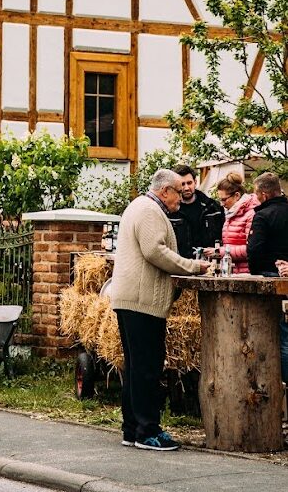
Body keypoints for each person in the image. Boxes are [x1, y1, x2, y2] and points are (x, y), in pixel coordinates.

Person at [110, 168, 209, 451]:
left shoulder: (140, 206)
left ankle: (132, 429)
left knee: (136, 367)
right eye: (178, 191)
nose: (182, 196)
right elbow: (155, 251)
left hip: (133, 300)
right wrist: (192, 267)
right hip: (142, 302)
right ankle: (146, 431)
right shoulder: (149, 211)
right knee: (147, 369)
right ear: (165, 191)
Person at [247, 171, 288, 384]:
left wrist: (255, 273)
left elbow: (254, 250)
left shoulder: (262, 216)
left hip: (271, 276)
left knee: (278, 334)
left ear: (264, 194)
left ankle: (281, 384)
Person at [204, 173, 259, 273]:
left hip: (247, 273)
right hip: (232, 272)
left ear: (237, 195)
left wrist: (218, 252)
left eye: (224, 199)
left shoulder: (251, 214)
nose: (221, 204)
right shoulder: (230, 214)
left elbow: (251, 248)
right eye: (220, 200)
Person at [167, 165, 224, 258]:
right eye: (182, 184)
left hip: (209, 265)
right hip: (180, 266)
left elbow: (223, 238)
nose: (186, 188)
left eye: (189, 183)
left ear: (195, 182)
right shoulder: (170, 211)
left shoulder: (212, 208)